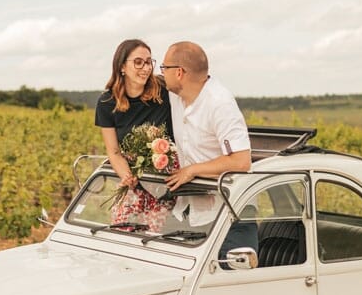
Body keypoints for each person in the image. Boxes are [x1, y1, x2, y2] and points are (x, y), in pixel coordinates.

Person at [160, 40, 257, 263]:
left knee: (228, 288)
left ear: (180, 72)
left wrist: (192, 170)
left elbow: (242, 161)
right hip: (192, 212)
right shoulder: (176, 95)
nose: (161, 73)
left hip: (232, 217)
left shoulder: (220, 104)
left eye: (164, 68)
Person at [95, 39, 174, 229]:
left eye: (149, 62)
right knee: (121, 228)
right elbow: (113, 151)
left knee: (152, 234)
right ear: (122, 66)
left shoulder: (164, 92)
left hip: (166, 180)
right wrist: (127, 176)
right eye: (138, 62)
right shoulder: (106, 103)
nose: (146, 68)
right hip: (133, 177)